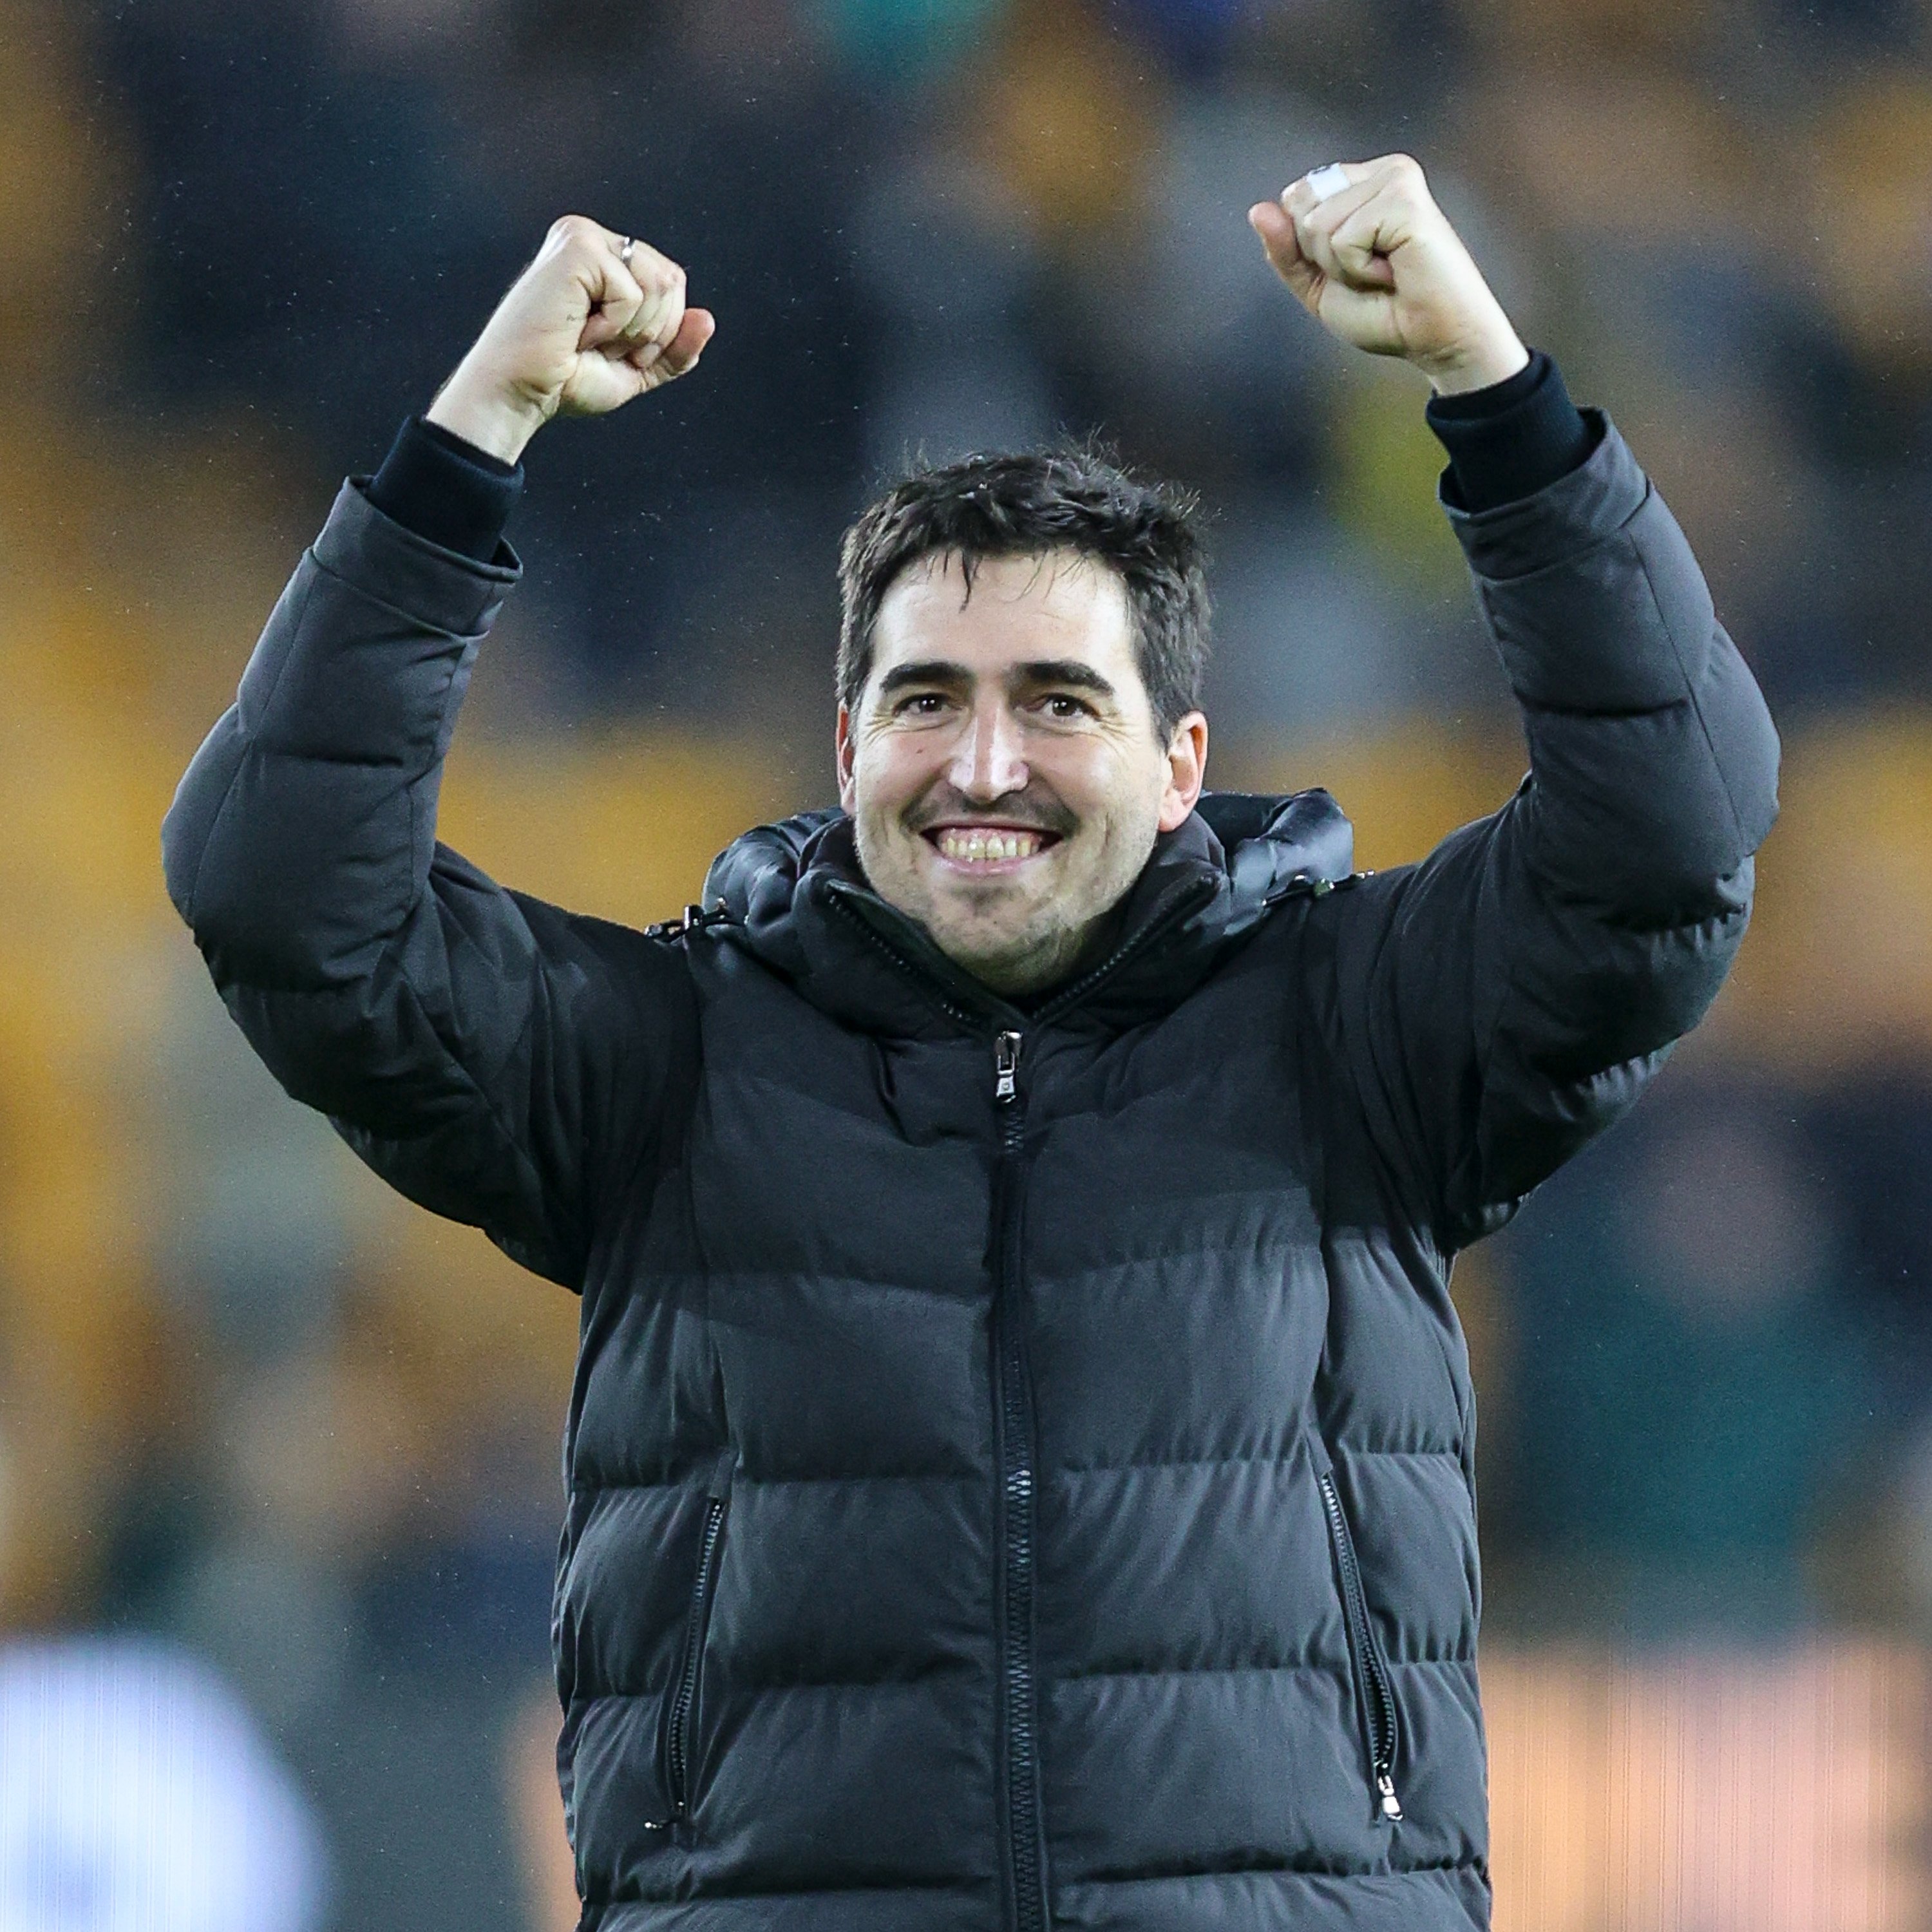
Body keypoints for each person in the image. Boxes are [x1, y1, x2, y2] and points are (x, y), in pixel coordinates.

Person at [162, 156, 1778, 1932]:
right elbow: (284, 889)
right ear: (843, 745)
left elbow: (1670, 839)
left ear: (1181, 768)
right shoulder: (667, 1064)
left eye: (1059, 702)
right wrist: (474, 435)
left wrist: (1500, 396)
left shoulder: (1361, 1027)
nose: (984, 767)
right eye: (927, 698)